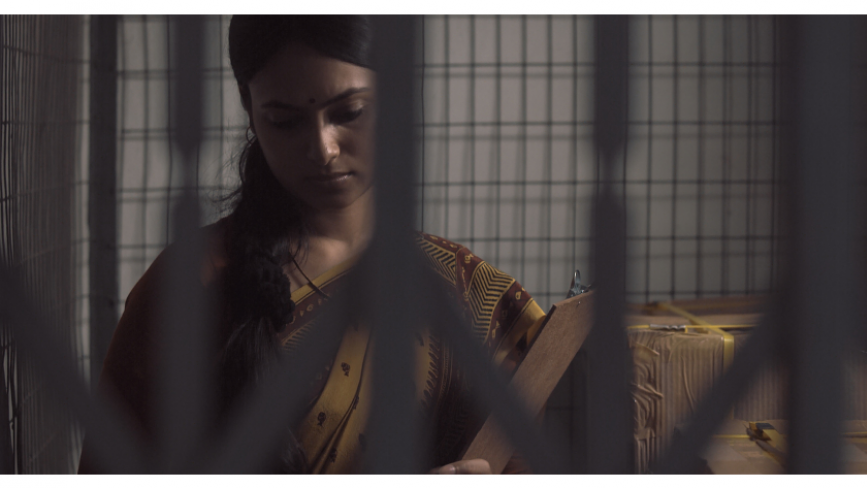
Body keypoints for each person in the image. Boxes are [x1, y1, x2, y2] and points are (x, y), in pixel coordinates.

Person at [78, 15, 546, 474]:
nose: (323, 149)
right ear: (248, 105)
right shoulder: (189, 287)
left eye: (350, 113)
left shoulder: (468, 293)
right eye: (285, 121)